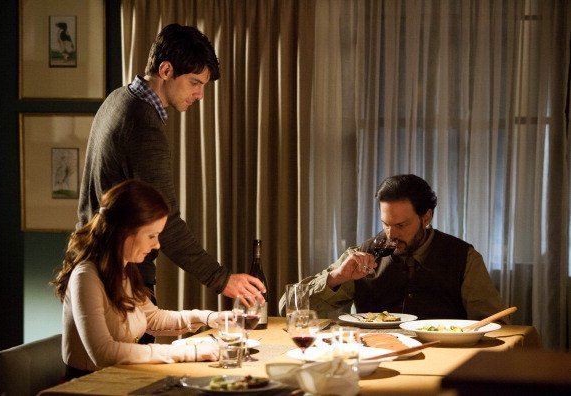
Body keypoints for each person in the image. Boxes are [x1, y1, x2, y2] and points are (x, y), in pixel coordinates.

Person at [77, 23, 265, 308]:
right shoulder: (143, 124)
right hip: (121, 279)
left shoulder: (118, 98)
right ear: (166, 71)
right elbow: (165, 223)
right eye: (195, 82)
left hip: (96, 267)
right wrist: (222, 279)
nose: (200, 95)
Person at [53, 180, 225, 379]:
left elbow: (152, 318)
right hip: (89, 385)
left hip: (121, 378)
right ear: (125, 232)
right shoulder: (86, 277)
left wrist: (208, 318)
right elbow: (103, 353)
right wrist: (187, 352)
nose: (157, 245)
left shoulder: (125, 268)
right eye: (152, 235)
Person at [279, 174, 509, 322]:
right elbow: (287, 309)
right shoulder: (363, 254)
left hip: (444, 361)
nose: (391, 234)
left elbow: (494, 322)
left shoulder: (463, 257)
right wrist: (336, 278)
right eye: (385, 224)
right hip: (374, 357)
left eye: (401, 225)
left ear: (426, 217)